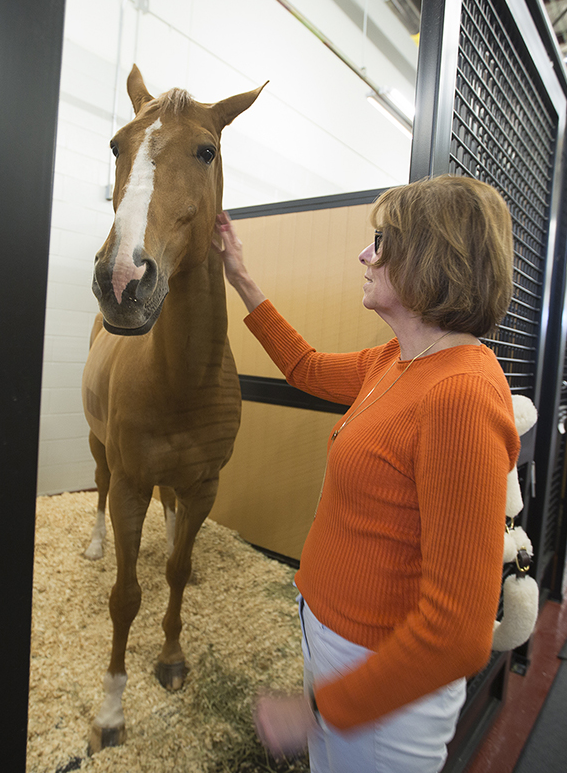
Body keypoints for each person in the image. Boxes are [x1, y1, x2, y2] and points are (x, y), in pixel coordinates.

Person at [214, 175, 519, 773]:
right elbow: (304, 366)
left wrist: (320, 710)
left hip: (383, 679)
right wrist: (240, 276)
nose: (364, 254)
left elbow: (459, 630)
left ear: (430, 258)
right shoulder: (397, 361)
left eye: (380, 241)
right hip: (336, 644)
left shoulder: (460, 394)